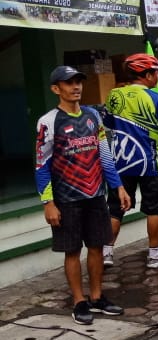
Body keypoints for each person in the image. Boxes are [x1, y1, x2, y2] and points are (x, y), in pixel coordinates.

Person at [36, 65, 130, 325]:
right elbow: (41, 165)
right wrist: (48, 202)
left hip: (95, 195)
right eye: (69, 83)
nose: (76, 87)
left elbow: (105, 155)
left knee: (98, 247)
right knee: (72, 251)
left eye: (78, 82)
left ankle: (97, 297)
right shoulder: (48, 121)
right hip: (66, 199)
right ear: (56, 89)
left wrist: (118, 186)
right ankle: (79, 301)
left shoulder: (93, 116)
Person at [103, 53, 158, 269]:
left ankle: (106, 253)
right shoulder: (156, 98)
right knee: (154, 210)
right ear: (147, 74)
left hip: (121, 163)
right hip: (151, 163)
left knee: (115, 209)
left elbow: (106, 121)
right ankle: (154, 256)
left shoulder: (114, 95)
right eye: (156, 73)